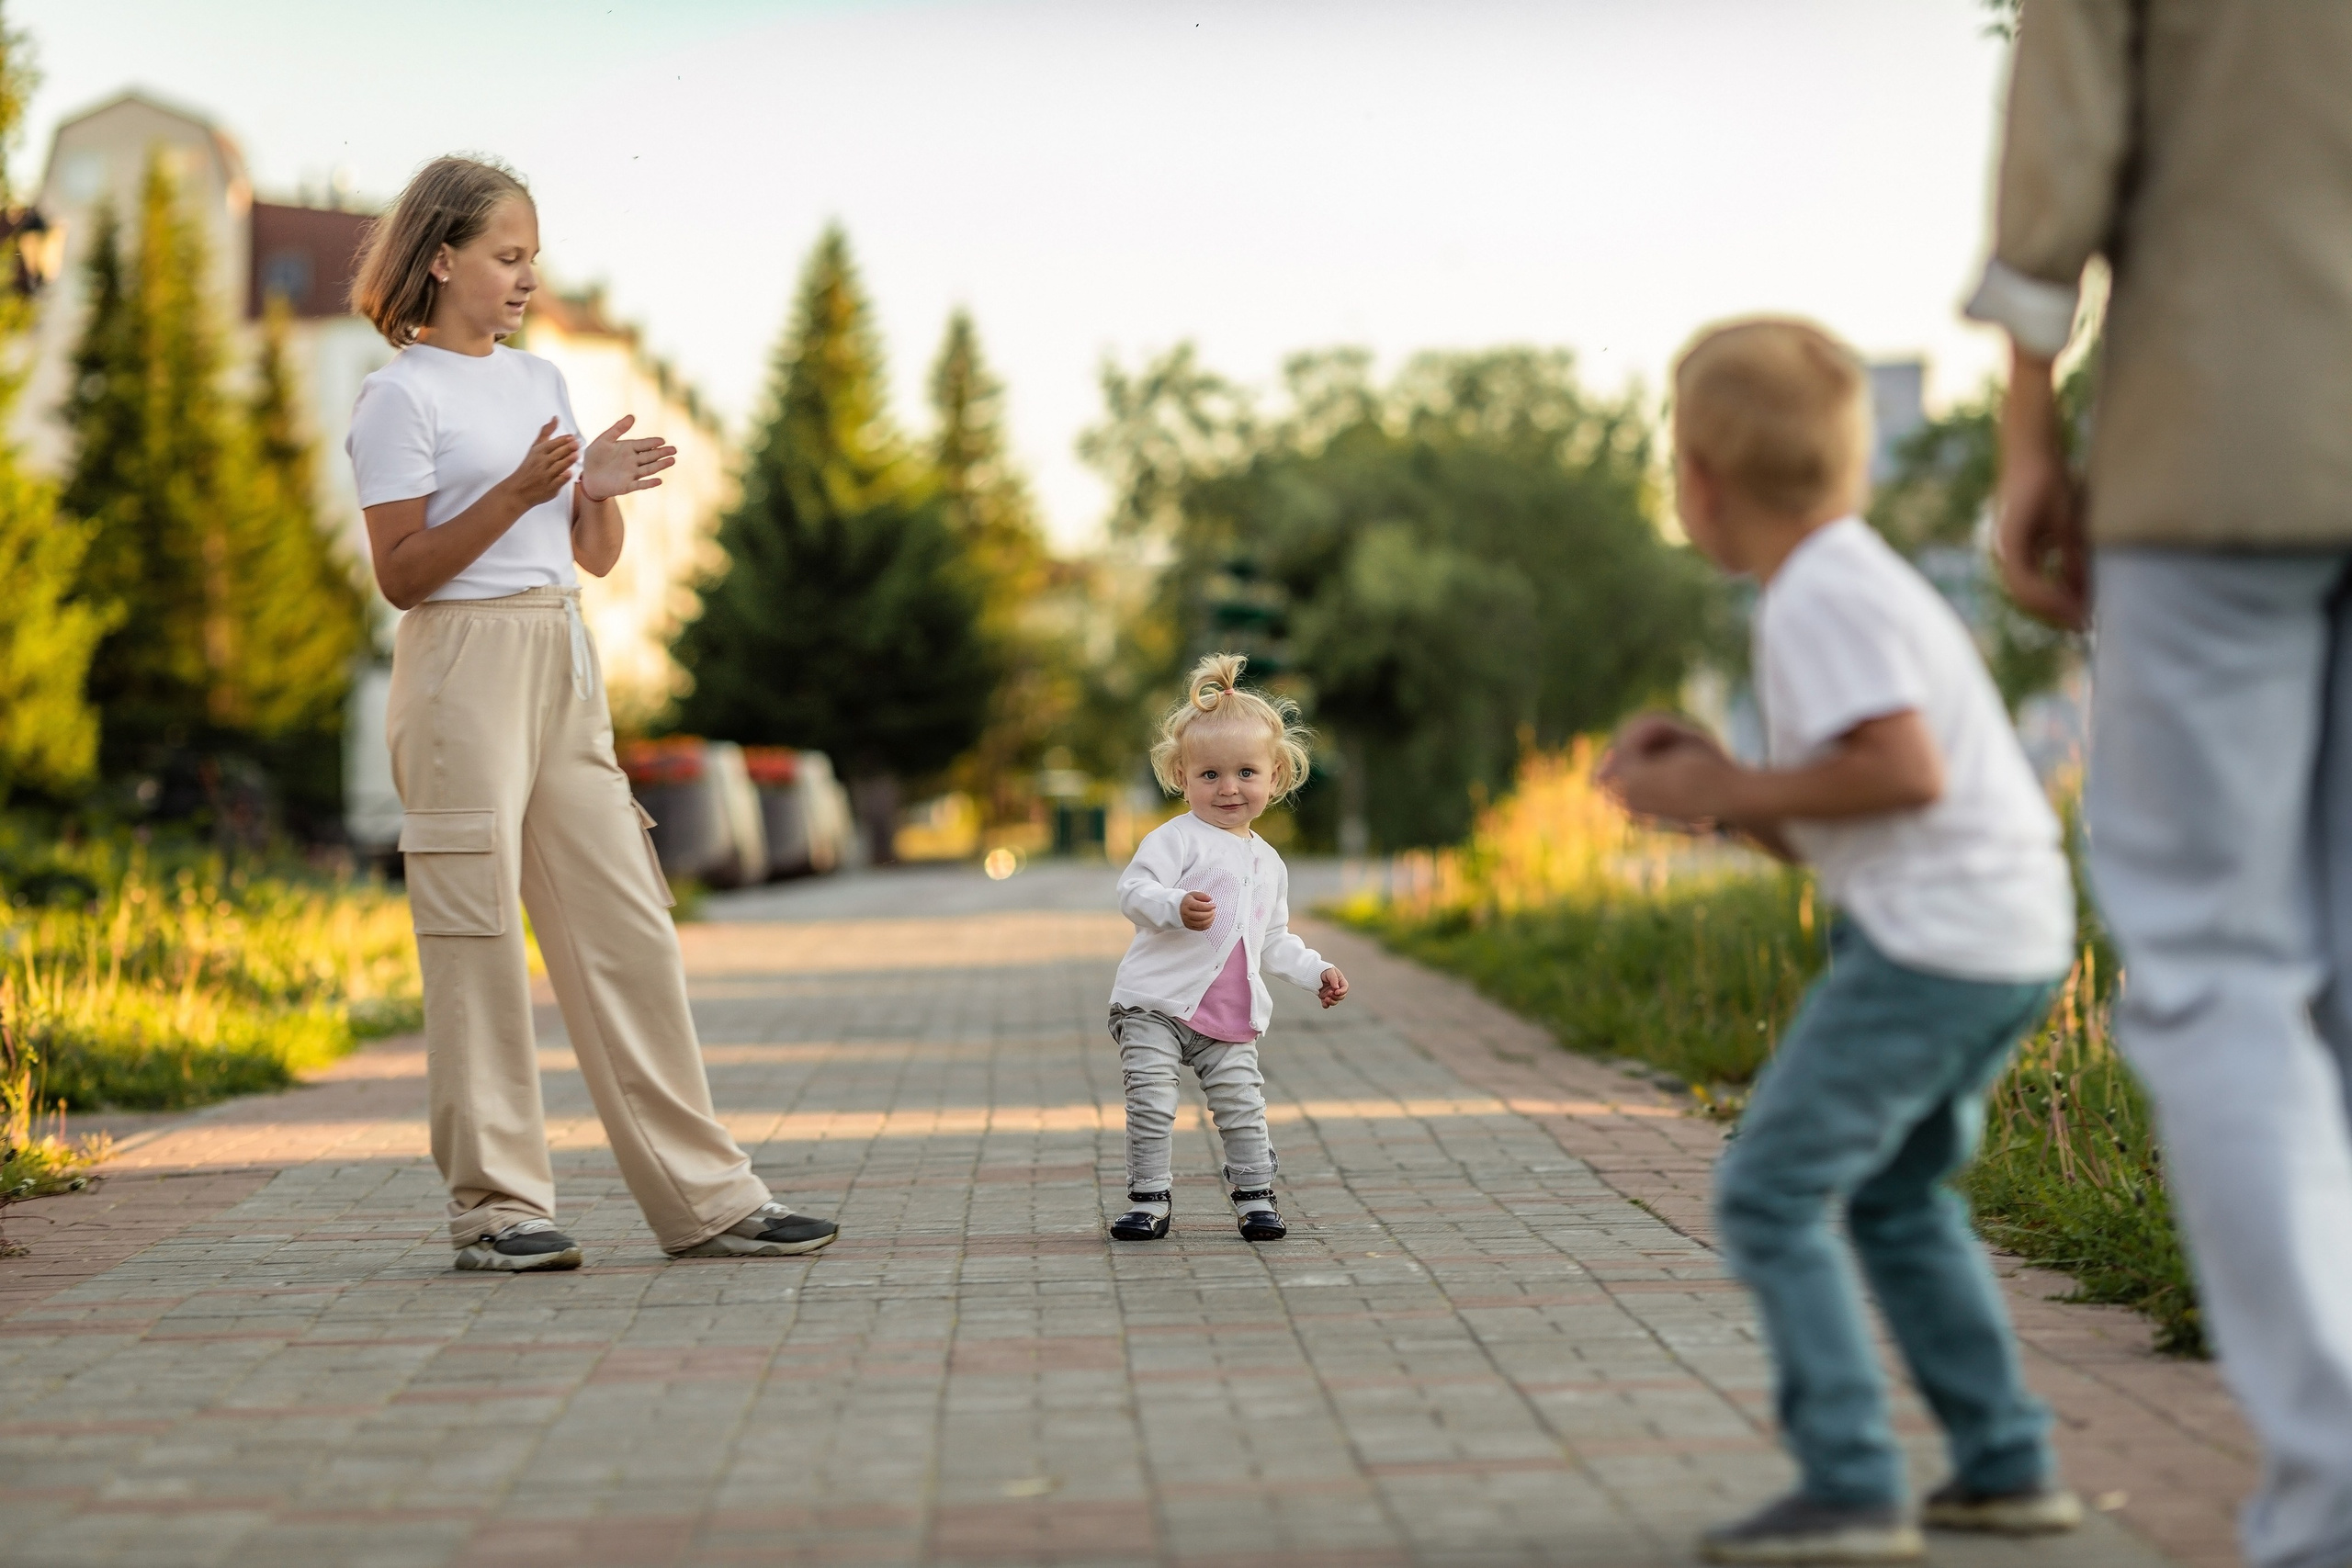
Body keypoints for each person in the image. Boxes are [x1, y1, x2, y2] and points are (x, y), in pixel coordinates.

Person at [1601, 320, 2083, 1564]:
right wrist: (1714, 790)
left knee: (1769, 1189)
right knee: (1896, 1194)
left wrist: (1727, 780)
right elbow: (1837, 814)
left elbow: (1903, 771)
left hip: (1938, 942)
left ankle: (1853, 1482)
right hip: (1996, 928)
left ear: (1697, 482)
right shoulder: (1841, 576)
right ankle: (2007, 1466)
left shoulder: (1819, 589)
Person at [1973, 8, 2352, 1565]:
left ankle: (2335, 1492)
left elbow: (2059, 170)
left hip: (2225, 442)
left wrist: (2026, 431)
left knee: (2218, 964)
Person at [345, 156, 838, 1272]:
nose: (525, 278)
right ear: (441, 259)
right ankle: (498, 1209)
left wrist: (592, 496)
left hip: (561, 653)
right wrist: (517, 493)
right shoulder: (400, 396)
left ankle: (705, 1198)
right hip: (457, 664)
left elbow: (593, 556)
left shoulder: (541, 381)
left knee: (628, 923)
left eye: (532, 259)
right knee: (473, 937)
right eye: (507, 257)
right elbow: (403, 573)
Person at [1107, 653, 1349, 1243]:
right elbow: (1133, 890)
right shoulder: (1176, 839)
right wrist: (1174, 907)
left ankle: (1254, 1196)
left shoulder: (1269, 863)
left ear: (1276, 777)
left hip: (1227, 1017)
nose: (1229, 788)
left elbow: (1273, 940)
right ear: (1182, 778)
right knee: (1152, 1101)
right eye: (1209, 775)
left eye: (1246, 772)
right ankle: (1149, 1199)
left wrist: (1316, 971)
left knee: (1243, 1107)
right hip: (1154, 1005)